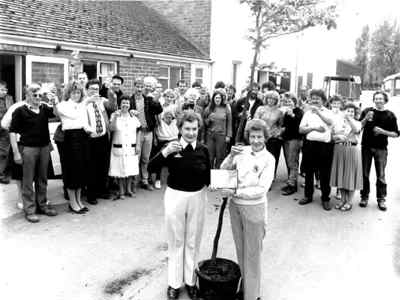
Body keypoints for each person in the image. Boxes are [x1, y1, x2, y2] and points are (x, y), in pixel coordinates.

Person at [148, 112, 210, 300]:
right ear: (180, 129)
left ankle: (191, 282)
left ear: (198, 129)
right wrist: (165, 153)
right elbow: (151, 167)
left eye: (194, 129)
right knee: (176, 241)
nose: (191, 133)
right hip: (175, 197)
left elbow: (208, 177)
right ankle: (174, 284)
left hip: (197, 197)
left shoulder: (203, 149)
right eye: (187, 129)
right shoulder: (171, 147)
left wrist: (226, 181)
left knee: (193, 240)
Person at [220, 118, 275, 300]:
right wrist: (230, 156)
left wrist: (235, 191)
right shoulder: (241, 151)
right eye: (252, 136)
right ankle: (244, 289)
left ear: (265, 137)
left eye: (260, 136)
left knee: (252, 254)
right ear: (248, 136)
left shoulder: (269, 159)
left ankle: (252, 295)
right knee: (241, 250)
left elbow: (261, 189)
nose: (256, 140)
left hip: (254, 209)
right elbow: (223, 170)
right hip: (235, 207)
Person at [9, 83, 58, 223]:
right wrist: (16, 153)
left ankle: (42, 205)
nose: (37, 97)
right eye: (34, 95)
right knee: (28, 180)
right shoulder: (20, 111)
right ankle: (29, 210)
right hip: (28, 149)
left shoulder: (44, 108)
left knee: (42, 178)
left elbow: (56, 114)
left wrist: (55, 101)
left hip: (44, 148)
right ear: (28, 96)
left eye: (39, 95)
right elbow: (12, 132)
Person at [56, 82, 93, 213]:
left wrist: (90, 130)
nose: (76, 95)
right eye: (73, 92)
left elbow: (84, 122)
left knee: (81, 169)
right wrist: (85, 104)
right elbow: (75, 115)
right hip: (71, 138)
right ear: (68, 93)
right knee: (72, 170)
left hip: (82, 137)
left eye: (78, 92)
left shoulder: (81, 105)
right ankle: (72, 203)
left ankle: (78, 200)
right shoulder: (62, 105)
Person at [359, 91, 399, 211]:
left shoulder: (390, 115)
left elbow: (396, 134)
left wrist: (382, 131)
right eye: (376, 98)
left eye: (381, 99)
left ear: (385, 100)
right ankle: (364, 196)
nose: (378, 100)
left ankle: (381, 199)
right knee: (365, 174)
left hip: (381, 148)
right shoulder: (367, 111)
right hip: (366, 147)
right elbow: (358, 126)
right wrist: (366, 118)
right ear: (373, 100)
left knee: (380, 175)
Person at [298, 89, 334, 211]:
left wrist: (318, 112)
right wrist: (313, 128)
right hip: (310, 146)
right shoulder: (307, 113)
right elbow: (301, 130)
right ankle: (308, 196)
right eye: (313, 98)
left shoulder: (329, 112)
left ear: (323, 100)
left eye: (317, 98)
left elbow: (330, 123)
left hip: (325, 146)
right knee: (309, 172)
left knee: (325, 174)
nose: (314, 100)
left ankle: (325, 198)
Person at [130, 77, 163, 191]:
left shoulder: (148, 99)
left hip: (148, 132)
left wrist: (157, 100)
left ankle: (144, 180)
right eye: (137, 86)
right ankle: (134, 182)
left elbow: (158, 110)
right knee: (136, 158)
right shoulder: (130, 100)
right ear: (134, 87)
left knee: (145, 158)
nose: (139, 89)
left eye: (141, 87)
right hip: (136, 133)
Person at [330, 103, 363, 211]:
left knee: (350, 176)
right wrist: (337, 137)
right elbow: (332, 136)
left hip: (352, 150)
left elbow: (356, 130)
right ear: (344, 111)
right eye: (348, 111)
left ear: (355, 113)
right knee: (341, 175)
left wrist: (349, 120)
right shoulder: (338, 123)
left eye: (352, 111)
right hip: (339, 150)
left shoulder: (357, 123)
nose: (350, 113)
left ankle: (349, 201)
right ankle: (342, 200)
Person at [85, 79, 112, 205]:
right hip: (90, 139)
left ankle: (103, 190)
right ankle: (91, 194)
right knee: (91, 167)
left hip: (103, 137)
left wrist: (110, 91)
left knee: (103, 165)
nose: (95, 91)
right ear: (87, 90)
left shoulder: (101, 101)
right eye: (92, 88)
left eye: (97, 88)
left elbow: (112, 106)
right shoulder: (84, 102)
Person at [109, 96, 141, 199]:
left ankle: (129, 190)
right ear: (119, 104)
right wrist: (114, 118)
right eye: (123, 103)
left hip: (131, 146)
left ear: (130, 105)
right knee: (120, 169)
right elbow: (111, 128)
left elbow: (138, 130)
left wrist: (138, 144)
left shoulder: (133, 117)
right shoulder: (115, 115)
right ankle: (121, 191)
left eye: (127, 103)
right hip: (119, 146)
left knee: (130, 169)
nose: (125, 105)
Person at [254, 90, 284, 178]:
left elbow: (281, 125)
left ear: (276, 100)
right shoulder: (260, 109)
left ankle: (270, 178)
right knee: (260, 158)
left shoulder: (279, 111)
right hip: (261, 137)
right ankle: (260, 176)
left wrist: (278, 133)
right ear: (266, 99)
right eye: (269, 98)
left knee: (272, 159)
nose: (270, 100)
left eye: (273, 99)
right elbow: (256, 121)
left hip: (273, 139)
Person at [280, 93, 303, 195]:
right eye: (286, 101)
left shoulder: (299, 111)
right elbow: (284, 125)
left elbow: (299, 124)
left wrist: (292, 114)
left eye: (290, 101)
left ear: (294, 102)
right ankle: (291, 182)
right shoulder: (285, 112)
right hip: (286, 139)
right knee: (289, 162)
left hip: (295, 139)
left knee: (293, 162)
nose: (288, 103)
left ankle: (292, 186)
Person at [203, 90, 232, 168]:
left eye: (219, 98)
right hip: (210, 135)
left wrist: (228, 135)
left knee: (220, 156)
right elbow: (204, 123)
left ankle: (218, 174)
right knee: (210, 156)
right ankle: (209, 174)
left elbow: (229, 122)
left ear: (222, 99)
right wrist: (209, 119)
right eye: (216, 98)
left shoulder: (226, 108)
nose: (217, 99)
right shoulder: (208, 108)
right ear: (213, 99)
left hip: (221, 135)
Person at [0, 80, 13, 184]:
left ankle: (1, 175)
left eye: (5, 89)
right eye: (2, 89)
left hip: (5, 129)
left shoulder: (9, 98)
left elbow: (12, 111)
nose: (5, 91)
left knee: (4, 152)